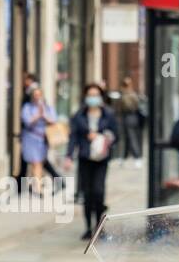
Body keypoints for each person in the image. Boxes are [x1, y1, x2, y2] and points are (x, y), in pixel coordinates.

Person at [66, 82, 118, 240]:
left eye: (96, 95)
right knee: (87, 193)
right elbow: (73, 137)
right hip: (85, 157)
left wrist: (102, 137)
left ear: (101, 97)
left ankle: (99, 226)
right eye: (90, 95)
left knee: (99, 191)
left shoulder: (108, 114)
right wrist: (69, 156)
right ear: (85, 97)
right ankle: (88, 227)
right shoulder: (79, 115)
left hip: (102, 159)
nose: (93, 98)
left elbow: (116, 135)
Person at [20, 86, 57, 190]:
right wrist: (37, 115)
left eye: (39, 95)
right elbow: (27, 121)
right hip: (30, 138)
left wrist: (44, 115)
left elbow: (54, 121)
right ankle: (38, 187)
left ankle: (34, 184)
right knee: (36, 162)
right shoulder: (27, 107)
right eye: (35, 95)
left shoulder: (48, 108)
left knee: (39, 162)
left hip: (43, 139)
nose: (37, 97)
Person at [114, 77, 144, 165]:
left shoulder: (130, 94)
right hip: (123, 118)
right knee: (125, 138)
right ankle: (123, 157)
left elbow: (132, 106)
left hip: (130, 117)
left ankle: (137, 157)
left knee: (132, 137)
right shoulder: (123, 94)